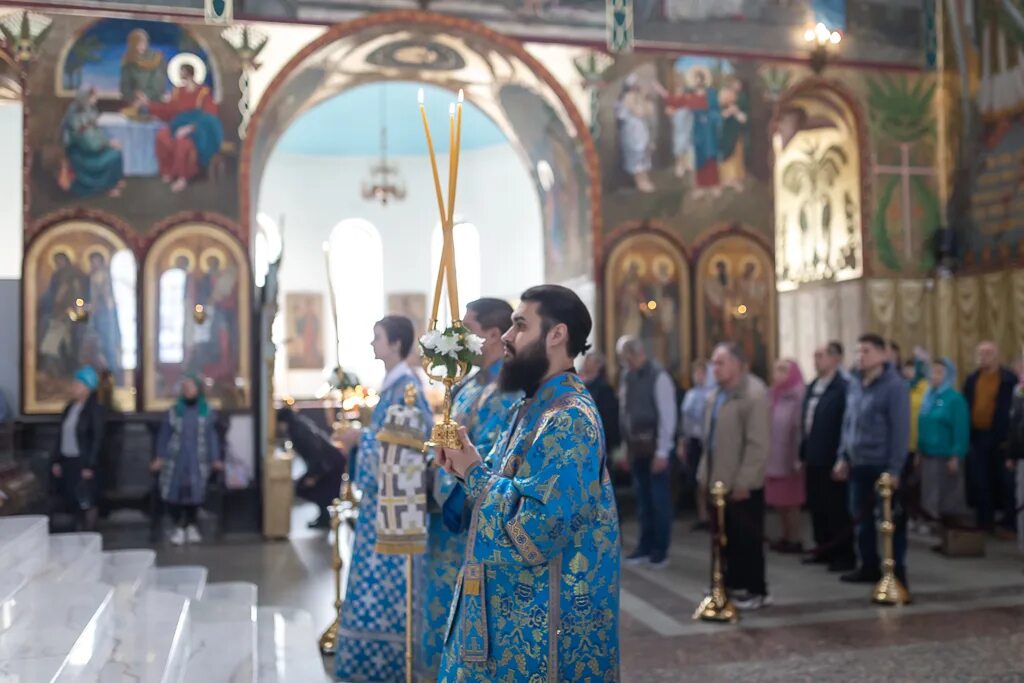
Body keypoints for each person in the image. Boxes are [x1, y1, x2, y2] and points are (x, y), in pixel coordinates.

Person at [436, 285, 620, 680]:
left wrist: (474, 473)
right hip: (510, 614)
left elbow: (537, 530)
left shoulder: (568, 417)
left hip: (543, 627)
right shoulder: (533, 406)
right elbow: (505, 484)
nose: (505, 336)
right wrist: (463, 467)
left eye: (520, 325)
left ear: (557, 335)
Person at [423, 298, 521, 678]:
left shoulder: (510, 389)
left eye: (467, 328)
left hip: (469, 518)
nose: (459, 335)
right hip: (444, 514)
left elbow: (497, 454)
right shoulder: (465, 384)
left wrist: (454, 491)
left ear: (493, 335)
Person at [333, 315, 431, 683]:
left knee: (387, 588)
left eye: (378, 337)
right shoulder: (393, 385)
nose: (373, 343)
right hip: (382, 504)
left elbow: (408, 448)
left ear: (395, 343)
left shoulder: (406, 387)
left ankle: (389, 665)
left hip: (394, 511)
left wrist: (362, 439)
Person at [834, 333, 910, 585]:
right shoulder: (855, 383)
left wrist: (895, 469)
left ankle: (896, 571)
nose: (860, 356)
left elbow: (900, 430)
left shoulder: (894, 386)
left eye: (866, 351)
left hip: (882, 464)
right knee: (861, 520)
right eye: (858, 351)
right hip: (858, 463)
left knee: (891, 521)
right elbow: (848, 422)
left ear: (882, 355)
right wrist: (843, 456)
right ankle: (868, 566)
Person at [698, 342, 770, 609]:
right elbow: (710, 440)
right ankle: (726, 582)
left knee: (746, 538)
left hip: (742, 483)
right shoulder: (715, 394)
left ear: (738, 364)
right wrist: (704, 475)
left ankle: (754, 589)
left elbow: (757, 443)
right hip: (718, 480)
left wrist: (745, 481)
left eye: (720, 362)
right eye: (713, 363)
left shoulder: (754, 394)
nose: (714, 368)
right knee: (722, 536)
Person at [617, 335, 677, 569]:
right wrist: (625, 448)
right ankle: (645, 545)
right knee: (642, 500)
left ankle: (660, 550)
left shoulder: (659, 377)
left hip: (655, 448)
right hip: (636, 448)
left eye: (626, 358)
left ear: (636, 354)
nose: (625, 363)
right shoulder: (627, 376)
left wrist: (663, 451)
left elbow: (667, 415)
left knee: (658, 500)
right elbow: (625, 413)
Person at [801, 342, 855, 571]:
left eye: (821, 356)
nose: (816, 360)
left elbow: (847, 423)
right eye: (814, 356)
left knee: (836, 508)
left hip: (832, 455)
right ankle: (822, 548)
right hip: (812, 454)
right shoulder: (813, 385)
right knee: (817, 506)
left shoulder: (843, 388)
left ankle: (843, 554)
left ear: (835, 359)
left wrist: (843, 456)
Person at [152, 375, 222, 545]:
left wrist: (215, 458)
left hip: (198, 459)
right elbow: (165, 435)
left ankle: (191, 525)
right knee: (175, 493)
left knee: (195, 493)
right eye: (185, 387)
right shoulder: (174, 411)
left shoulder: (207, 412)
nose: (188, 390)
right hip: (176, 459)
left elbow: (211, 436)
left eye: (191, 387)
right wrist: (160, 457)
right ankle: (178, 526)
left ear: (198, 389)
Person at [138, 62, 223, 193]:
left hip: (197, 131)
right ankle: (168, 171)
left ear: (190, 74)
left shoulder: (203, 92)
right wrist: (148, 105)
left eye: (182, 72)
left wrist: (190, 128)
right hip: (177, 127)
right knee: (161, 136)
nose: (181, 75)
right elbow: (167, 109)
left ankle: (182, 178)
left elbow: (209, 116)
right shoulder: (178, 91)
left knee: (182, 142)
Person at [962, 341, 1017, 535]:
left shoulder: (1009, 379)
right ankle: (984, 522)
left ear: (997, 356)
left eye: (988, 353)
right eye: (980, 354)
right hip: (978, 437)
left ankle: (1008, 523)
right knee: (980, 481)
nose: (983, 357)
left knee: (1004, 482)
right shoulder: (972, 379)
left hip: (1001, 438)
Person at [917, 358, 970, 533]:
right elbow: (923, 424)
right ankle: (931, 520)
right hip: (927, 453)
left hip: (946, 454)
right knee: (929, 490)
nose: (934, 376)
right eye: (932, 371)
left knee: (947, 492)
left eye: (939, 372)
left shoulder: (955, 399)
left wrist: (956, 454)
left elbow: (961, 429)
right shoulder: (929, 396)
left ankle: (948, 527)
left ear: (949, 375)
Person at [51, 366, 106, 531]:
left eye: (78, 384)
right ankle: (77, 533)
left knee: (87, 500)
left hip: (84, 462)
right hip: (68, 460)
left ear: (88, 387)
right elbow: (61, 436)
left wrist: (90, 465)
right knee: (72, 499)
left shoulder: (95, 410)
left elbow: (97, 439)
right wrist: (57, 461)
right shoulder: (70, 408)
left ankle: (89, 534)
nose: (73, 387)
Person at [277, 406, 346, 529]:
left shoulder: (299, 432)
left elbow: (316, 454)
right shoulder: (299, 426)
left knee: (312, 489)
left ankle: (325, 519)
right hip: (329, 463)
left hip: (329, 464)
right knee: (318, 491)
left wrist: (314, 476)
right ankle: (323, 517)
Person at [767, 358, 806, 554]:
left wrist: (799, 457)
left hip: (790, 455)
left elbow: (799, 428)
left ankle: (795, 538)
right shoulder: (772, 393)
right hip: (773, 454)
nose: (778, 374)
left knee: (792, 501)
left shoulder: (798, 394)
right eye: (776, 370)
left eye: (783, 370)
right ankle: (785, 535)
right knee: (779, 501)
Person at [60, 87, 125, 198]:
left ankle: (113, 181)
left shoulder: (87, 109)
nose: (95, 100)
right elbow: (89, 142)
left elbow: (95, 132)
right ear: (85, 98)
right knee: (114, 155)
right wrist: (108, 143)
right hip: (82, 154)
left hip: (89, 148)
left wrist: (108, 142)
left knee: (116, 151)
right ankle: (107, 187)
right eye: (93, 97)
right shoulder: (76, 116)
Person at [678, 360, 713, 530]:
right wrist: (682, 440)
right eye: (696, 373)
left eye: (702, 373)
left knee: (708, 478)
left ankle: (713, 513)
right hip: (693, 440)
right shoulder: (691, 394)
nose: (698, 377)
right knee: (696, 479)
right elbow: (685, 420)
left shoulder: (713, 393)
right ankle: (702, 515)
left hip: (707, 441)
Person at [581, 350, 621, 458]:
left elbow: (610, 419)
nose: (584, 363)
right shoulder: (581, 386)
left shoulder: (604, 389)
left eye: (588, 361)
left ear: (598, 365)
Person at [119, 28, 165, 102]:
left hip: (154, 102)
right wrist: (134, 95)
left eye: (143, 43)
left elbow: (159, 84)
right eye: (137, 43)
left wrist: (146, 96)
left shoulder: (156, 59)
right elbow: (125, 85)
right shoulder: (128, 60)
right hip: (133, 102)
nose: (140, 46)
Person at [1009, 365, 1024, 553]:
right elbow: (1014, 425)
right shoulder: (1019, 393)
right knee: (1021, 502)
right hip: (1022, 456)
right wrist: (1011, 454)